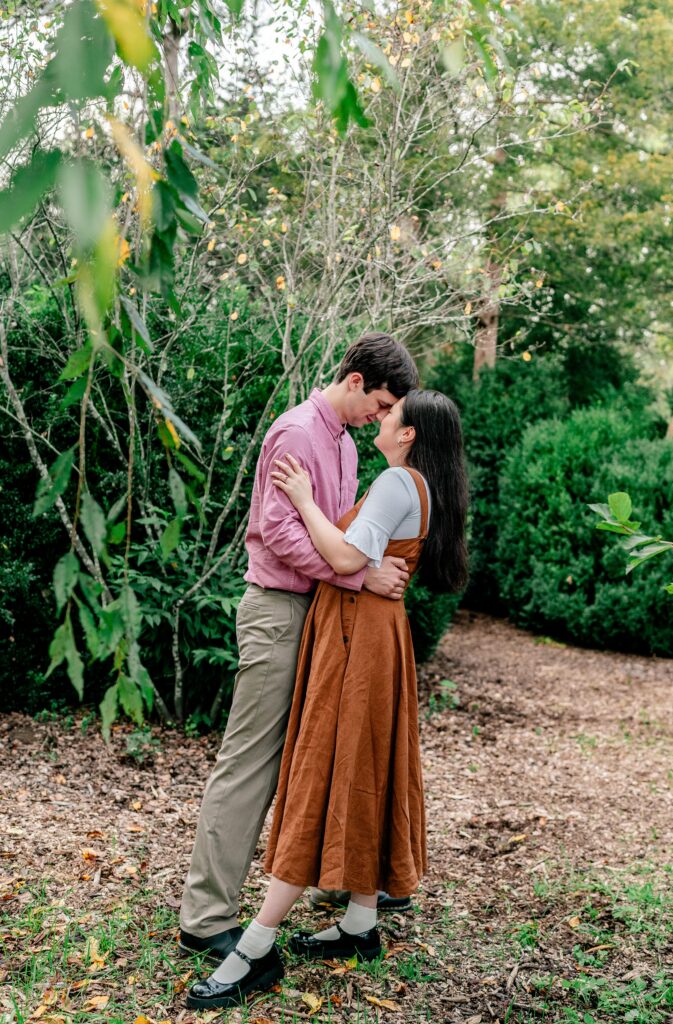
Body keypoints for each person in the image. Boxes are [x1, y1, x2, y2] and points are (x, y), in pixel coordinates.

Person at [186, 389, 469, 1009]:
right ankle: (361, 924)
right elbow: (358, 557)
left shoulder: (399, 483)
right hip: (370, 634)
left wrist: (307, 501)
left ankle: (253, 947)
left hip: (359, 638)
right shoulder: (414, 484)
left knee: (327, 770)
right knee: (361, 764)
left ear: (410, 432)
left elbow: (344, 554)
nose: (382, 417)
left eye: (392, 412)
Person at [179, 333, 420, 963]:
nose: (383, 416)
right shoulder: (296, 433)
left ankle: (333, 884)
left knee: (313, 758)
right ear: (355, 379)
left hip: (316, 614)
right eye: (383, 402)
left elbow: (340, 530)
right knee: (250, 761)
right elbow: (280, 532)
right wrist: (356, 575)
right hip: (278, 613)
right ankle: (205, 917)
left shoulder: (341, 440)